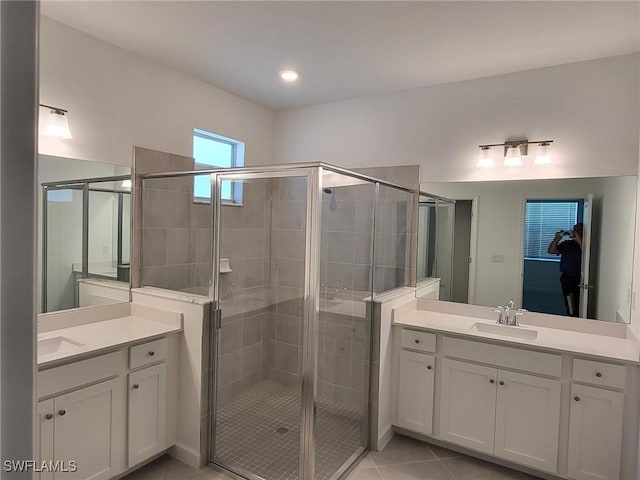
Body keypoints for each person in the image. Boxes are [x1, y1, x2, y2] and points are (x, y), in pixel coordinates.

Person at [548, 223, 583, 316]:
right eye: (574, 230)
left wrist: (579, 241)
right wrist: (557, 239)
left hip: (580, 279)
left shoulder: (586, 245)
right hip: (567, 278)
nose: (575, 232)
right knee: (569, 303)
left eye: (578, 230)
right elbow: (551, 251)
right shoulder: (568, 244)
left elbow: (588, 256)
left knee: (581, 304)